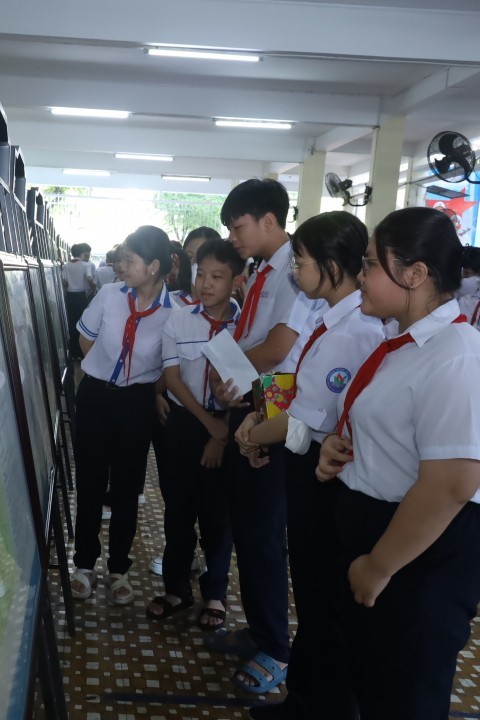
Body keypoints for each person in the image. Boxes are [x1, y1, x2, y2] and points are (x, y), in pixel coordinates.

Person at [316, 206, 480, 720]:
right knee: (375, 681)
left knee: (405, 695)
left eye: (372, 263)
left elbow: (450, 485)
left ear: (415, 274)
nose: (360, 276)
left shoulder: (458, 355)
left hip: (420, 549)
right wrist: (344, 450)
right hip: (384, 532)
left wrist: (379, 567)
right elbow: (396, 432)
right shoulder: (402, 345)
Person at [235, 211, 384, 720]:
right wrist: (256, 420)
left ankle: (325, 708)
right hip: (303, 462)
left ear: (331, 267)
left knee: (326, 603)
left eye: (300, 262)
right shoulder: (326, 318)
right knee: (313, 598)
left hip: (325, 477)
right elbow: (292, 387)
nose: (295, 273)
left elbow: (306, 421)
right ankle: (303, 700)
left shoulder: (353, 332)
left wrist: (255, 433)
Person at [204, 178, 318, 694]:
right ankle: (259, 628)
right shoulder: (265, 270)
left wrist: (232, 372)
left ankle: (277, 647)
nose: (233, 235)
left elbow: (276, 349)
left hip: (276, 399)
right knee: (247, 526)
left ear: (269, 220)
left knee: (265, 532)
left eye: (238, 225)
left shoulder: (295, 271)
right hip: (256, 396)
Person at [70, 226, 175, 605]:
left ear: (153, 266)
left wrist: (151, 390)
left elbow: (171, 365)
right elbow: (85, 338)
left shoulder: (173, 312)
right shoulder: (111, 294)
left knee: (128, 488)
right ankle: (83, 564)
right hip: (96, 395)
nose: (121, 264)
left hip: (137, 403)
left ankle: (119, 569)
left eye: (130, 259)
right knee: (90, 482)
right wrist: (101, 365)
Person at [146, 239, 243, 629]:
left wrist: (222, 435)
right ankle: (176, 588)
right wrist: (210, 427)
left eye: (217, 276)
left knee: (219, 515)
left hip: (233, 424)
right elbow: (172, 380)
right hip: (188, 425)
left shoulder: (247, 326)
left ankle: (215, 593)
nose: (206, 283)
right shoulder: (179, 319)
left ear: (236, 281)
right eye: (201, 273)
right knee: (179, 509)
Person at [63, 243, 96, 359]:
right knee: (82, 323)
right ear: (82, 254)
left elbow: (65, 283)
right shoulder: (86, 265)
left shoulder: (65, 266)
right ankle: (82, 353)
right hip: (82, 297)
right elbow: (89, 279)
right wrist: (94, 288)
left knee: (72, 323)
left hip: (70, 297)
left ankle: (74, 353)